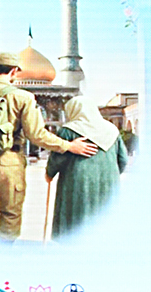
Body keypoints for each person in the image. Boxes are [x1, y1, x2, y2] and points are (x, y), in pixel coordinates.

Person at [0, 52, 98, 241]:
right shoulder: (22, 97)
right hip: (8, 163)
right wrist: (69, 146)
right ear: (14, 71)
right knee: (10, 214)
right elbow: (37, 135)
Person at [45, 96, 129, 237]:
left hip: (77, 184)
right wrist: (111, 174)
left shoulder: (68, 131)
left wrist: (49, 173)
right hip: (108, 183)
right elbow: (123, 159)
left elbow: (57, 159)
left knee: (75, 221)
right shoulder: (112, 130)